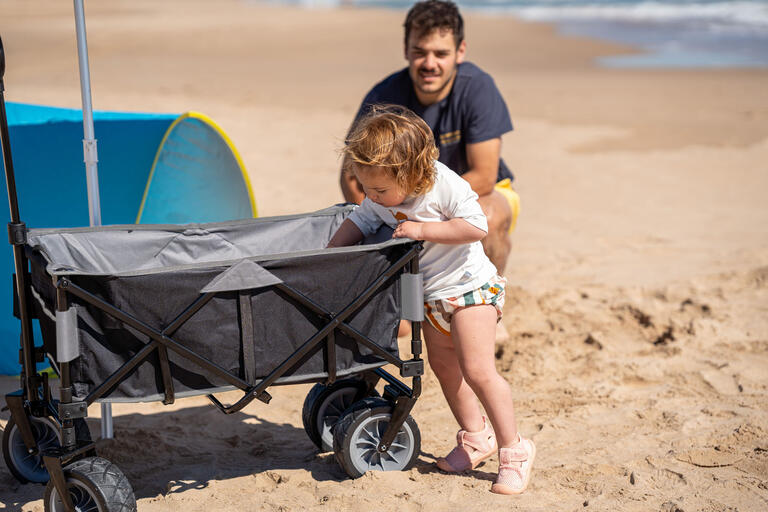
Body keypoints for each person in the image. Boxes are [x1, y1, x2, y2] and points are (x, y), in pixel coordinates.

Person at [328, 106, 534, 495]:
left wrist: (422, 229)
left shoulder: (444, 184)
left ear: (410, 172)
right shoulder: (380, 192)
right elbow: (362, 218)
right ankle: (476, 437)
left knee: (477, 370)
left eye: (380, 190)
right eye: (367, 188)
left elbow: (476, 226)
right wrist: (332, 250)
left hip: (470, 289)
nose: (373, 197)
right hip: (431, 296)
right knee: (443, 366)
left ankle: (515, 449)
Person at [339, 0, 518, 278]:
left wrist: (421, 208)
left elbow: (484, 175)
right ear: (405, 50)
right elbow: (351, 175)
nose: (429, 64)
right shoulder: (383, 97)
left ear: (460, 51)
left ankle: (489, 301)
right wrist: (377, 211)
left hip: (480, 191)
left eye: (440, 53)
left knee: (487, 219)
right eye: (420, 52)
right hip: (399, 197)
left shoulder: (477, 88)